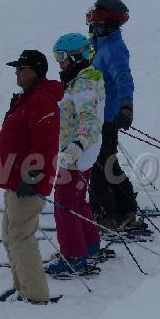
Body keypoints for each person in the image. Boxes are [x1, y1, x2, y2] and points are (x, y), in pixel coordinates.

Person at [0, 50, 63, 303]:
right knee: (10, 237)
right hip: (16, 180)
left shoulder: (41, 101)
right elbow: (17, 142)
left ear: (35, 71)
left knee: (21, 237)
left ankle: (36, 296)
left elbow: (45, 145)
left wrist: (32, 176)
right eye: (16, 69)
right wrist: (1, 170)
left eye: (22, 68)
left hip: (28, 183)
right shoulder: (27, 99)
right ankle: (22, 288)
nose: (17, 73)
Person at [44, 33, 106, 275]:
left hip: (76, 153)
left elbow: (89, 121)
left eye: (62, 57)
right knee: (77, 200)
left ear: (77, 56)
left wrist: (77, 146)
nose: (59, 63)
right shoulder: (87, 78)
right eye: (56, 57)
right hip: (85, 151)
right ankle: (89, 244)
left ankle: (73, 256)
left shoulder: (82, 84)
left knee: (64, 204)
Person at [86, 0, 139, 229]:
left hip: (107, 118)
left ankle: (106, 214)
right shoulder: (100, 47)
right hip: (98, 116)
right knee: (107, 164)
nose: (92, 21)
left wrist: (126, 106)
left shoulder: (114, 49)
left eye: (97, 17)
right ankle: (125, 209)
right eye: (91, 16)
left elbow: (124, 78)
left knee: (100, 167)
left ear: (110, 21)